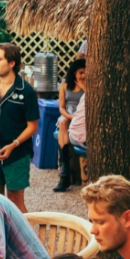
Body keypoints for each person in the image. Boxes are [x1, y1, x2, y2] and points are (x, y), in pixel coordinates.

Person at [0, 43, 40, 213]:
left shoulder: (27, 91)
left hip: (16, 154)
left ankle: (26, 239)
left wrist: (13, 144)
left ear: (12, 63)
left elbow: (33, 126)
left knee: (15, 201)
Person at [54, 59, 86, 193]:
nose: (83, 75)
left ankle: (65, 174)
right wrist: (70, 117)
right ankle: (64, 169)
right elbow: (61, 107)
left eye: (85, 72)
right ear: (73, 73)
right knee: (62, 122)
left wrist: (85, 88)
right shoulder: (64, 85)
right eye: (80, 72)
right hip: (68, 113)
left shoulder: (89, 85)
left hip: (82, 114)